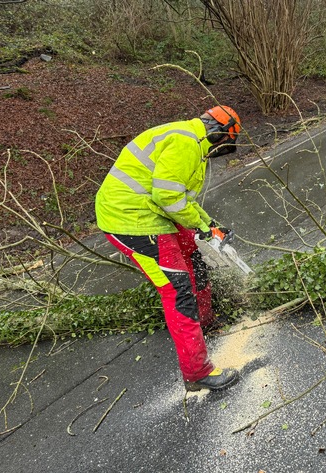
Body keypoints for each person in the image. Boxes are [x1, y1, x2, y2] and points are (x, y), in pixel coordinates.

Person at [95, 105, 241, 392]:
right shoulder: (186, 142)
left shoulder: (192, 141)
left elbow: (182, 199)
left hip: (155, 213)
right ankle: (197, 372)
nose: (219, 151)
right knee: (178, 290)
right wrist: (198, 226)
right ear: (217, 133)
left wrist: (209, 225)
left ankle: (205, 323)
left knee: (196, 259)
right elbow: (168, 197)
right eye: (223, 144)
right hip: (133, 221)